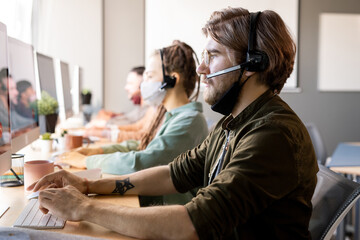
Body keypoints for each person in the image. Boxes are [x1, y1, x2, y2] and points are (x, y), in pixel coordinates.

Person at [28, 8, 318, 239]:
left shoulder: (272, 134)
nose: (202, 68)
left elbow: (192, 224)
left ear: (253, 64)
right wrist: (89, 184)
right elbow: (172, 174)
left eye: (213, 55)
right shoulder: (232, 124)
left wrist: (84, 208)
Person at [59, 40, 209, 205]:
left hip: (168, 208)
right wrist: (96, 151)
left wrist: (86, 162)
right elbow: (141, 145)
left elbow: (143, 162)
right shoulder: (172, 115)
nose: (144, 84)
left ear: (173, 79)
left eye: (150, 76)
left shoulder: (190, 121)